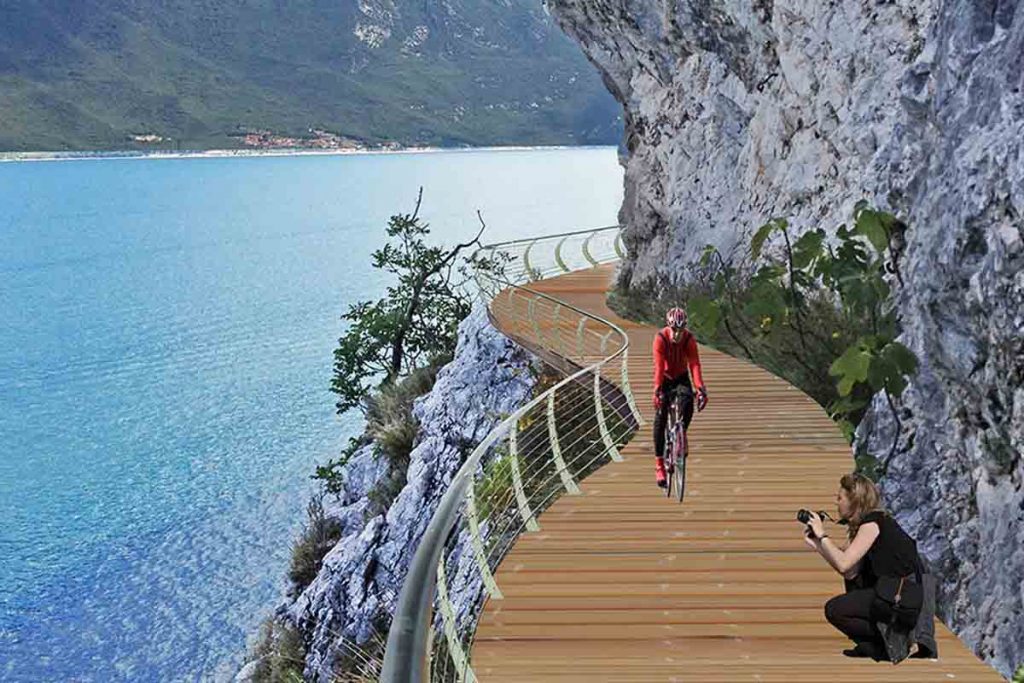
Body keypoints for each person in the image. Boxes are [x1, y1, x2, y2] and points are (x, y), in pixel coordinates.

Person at [802, 473, 936, 662]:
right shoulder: (867, 523)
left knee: (834, 610)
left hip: (904, 597)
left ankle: (894, 641)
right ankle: (881, 645)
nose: (836, 503)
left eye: (840, 498)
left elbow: (844, 563)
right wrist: (818, 545)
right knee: (843, 600)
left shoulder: (873, 523)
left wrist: (823, 535)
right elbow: (850, 572)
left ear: (855, 501)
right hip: (895, 594)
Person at [652, 307, 707, 488]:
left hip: (681, 377)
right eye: (674, 330)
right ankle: (659, 464)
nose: (677, 335)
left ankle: (681, 432)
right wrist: (657, 390)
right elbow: (659, 367)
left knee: (688, 403)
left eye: (680, 331)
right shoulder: (660, 339)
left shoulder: (689, 339)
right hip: (666, 378)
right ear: (669, 327)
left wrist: (700, 388)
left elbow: (694, 364)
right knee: (660, 420)